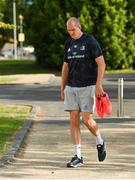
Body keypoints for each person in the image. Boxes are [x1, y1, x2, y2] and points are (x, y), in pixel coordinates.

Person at [61, 17, 106, 168]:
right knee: (73, 119)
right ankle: (78, 156)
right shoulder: (68, 42)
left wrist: (98, 85)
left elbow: (101, 63)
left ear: (79, 26)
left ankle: (99, 140)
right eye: (68, 31)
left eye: (73, 30)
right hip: (72, 87)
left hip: (88, 86)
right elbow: (65, 66)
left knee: (87, 120)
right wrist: (62, 87)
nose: (71, 33)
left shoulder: (90, 41)